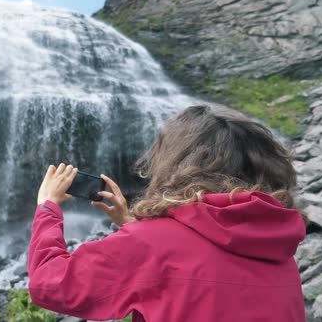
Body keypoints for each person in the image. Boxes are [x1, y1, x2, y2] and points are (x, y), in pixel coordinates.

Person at [28, 105, 306, 321]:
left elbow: (50, 284)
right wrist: (135, 227)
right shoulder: (276, 247)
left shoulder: (152, 244)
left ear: (174, 162)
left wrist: (47, 207)